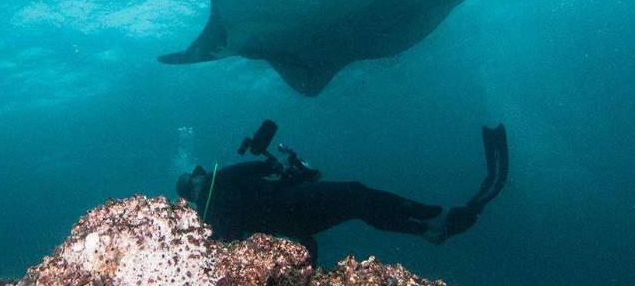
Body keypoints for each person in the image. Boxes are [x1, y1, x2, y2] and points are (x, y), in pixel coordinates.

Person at [176, 121, 508, 265]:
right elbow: (264, 171)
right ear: (198, 177)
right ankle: (425, 218)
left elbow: (238, 237)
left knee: (356, 205)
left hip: (291, 228)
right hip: (290, 204)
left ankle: (426, 225)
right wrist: (291, 171)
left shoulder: (210, 217)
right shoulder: (220, 179)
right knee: (355, 195)